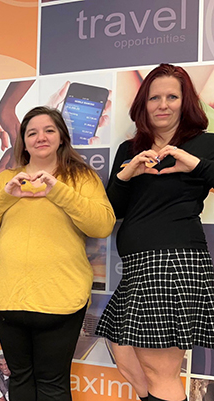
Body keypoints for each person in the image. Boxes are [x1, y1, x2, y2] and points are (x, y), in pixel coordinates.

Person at [95, 64, 214, 401]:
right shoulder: (129, 149)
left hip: (174, 262)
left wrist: (192, 164)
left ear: (185, 101)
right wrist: (126, 175)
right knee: (121, 346)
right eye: (154, 97)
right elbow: (113, 211)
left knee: (159, 369)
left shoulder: (205, 145)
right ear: (143, 104)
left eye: (171, 97)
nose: (163, 104)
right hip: (137, 265)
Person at [0, 106, 115, 401]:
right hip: (10, 299)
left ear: (61, 137)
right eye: (32, 132)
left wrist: (57, 190)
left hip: (61, 300)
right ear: (24, 142)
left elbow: (102, 225)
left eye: (49, 130)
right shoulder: (7, 179)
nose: (41, 137)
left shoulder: (81, 177)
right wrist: (6, 196)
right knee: (20, 381)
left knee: (53, 385)